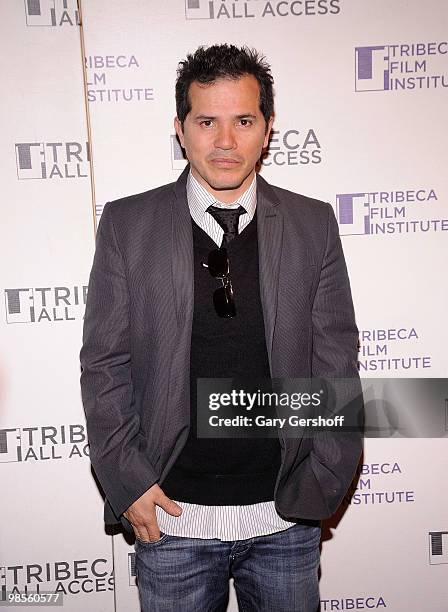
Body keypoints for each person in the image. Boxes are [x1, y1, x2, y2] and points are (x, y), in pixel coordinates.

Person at [80, 44, 363, 612]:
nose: (226, 142)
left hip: (285, 521)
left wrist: (325, 480)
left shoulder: (313, 224)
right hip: (173, 522)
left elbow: (337, 360)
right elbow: (104, 366)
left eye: (243, 121)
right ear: (181, 130)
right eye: (207, 121)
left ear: (268, 128)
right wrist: (128, 482)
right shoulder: (126, 225)